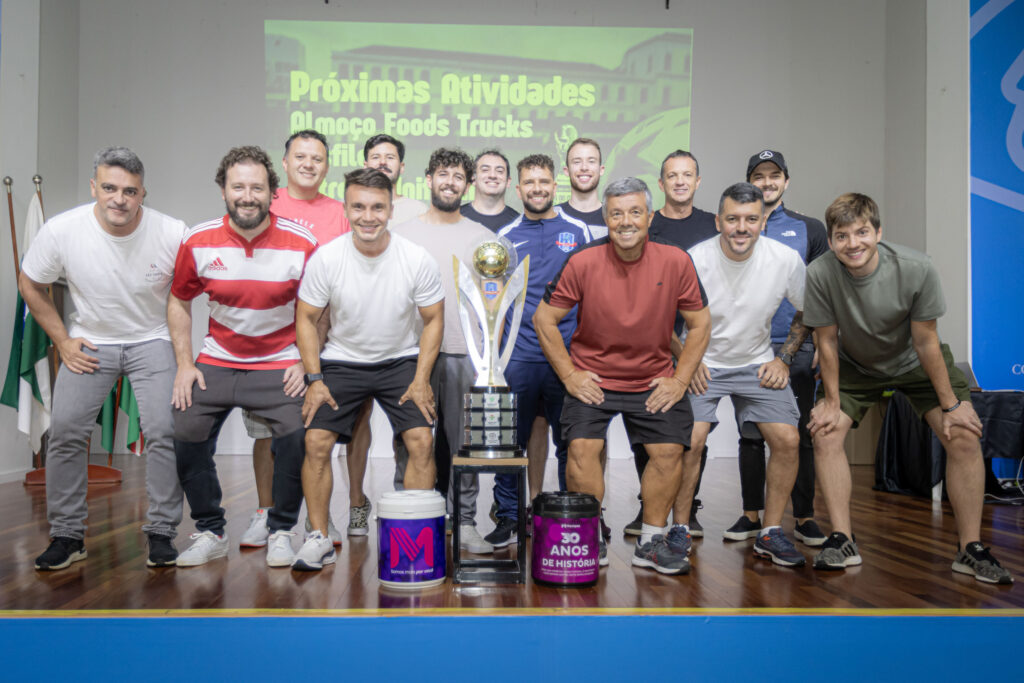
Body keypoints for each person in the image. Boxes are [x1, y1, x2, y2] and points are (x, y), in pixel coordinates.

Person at [805, 193, 1013, 584]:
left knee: (963, 435)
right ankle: (842, 539)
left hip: (916, 363)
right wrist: (831, 402)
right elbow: (827, 341)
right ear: (831, 241)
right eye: (842, 236)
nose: (853, 243)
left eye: (861, 232)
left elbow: (926, 341)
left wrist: (951, 407)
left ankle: (970, 548)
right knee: (826, 432)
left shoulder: (917, 268)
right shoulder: (819, 273)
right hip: (855, 366)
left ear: (878, 232)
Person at [535, 176, 710, 574]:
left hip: (652, 379)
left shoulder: (676, 260)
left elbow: (700, 324)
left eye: (634, 212)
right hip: (594, 378)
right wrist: (570, 376)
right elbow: (544, 319)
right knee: (581, 448)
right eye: (616, 214)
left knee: (668, 451)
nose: (626, 221)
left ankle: (651, 541)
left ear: (649, 216)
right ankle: (589, 534)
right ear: (606, 218)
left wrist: (680, 380)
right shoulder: (583, 260)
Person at [21, 147, 185, 570]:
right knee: (65, 432)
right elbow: (30, 283)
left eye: (130, 191)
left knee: (165, 430)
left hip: (151, 340)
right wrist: (62, 341)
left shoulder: (172, 232)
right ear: (94, 187)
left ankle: (162, 532)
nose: (119, 199)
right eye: (110, 188)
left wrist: (183, 357)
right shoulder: (62, 230)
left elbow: (184, 296)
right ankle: (67, 535)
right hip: (90, 343)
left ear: (143, 193)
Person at [169, 146, 316, 568]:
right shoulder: (197, 240)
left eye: (257, 187)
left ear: (273, 192)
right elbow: (178, 301)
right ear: (223, 190)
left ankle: (281, 529)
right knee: (185, 428)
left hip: (279, 361)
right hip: (218, 360)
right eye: (238, 187)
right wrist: (185, 364)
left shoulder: (303, 243)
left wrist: (304, 363)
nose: (247, 196)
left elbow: (320, 311)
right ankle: (211, 531)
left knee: (297, 435)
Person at [292, 168, 444, 571]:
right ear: (346, 209)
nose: (368, 216)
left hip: (400, 359)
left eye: (378, 207)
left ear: (391, 209)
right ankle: (319, 537)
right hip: (343, 359)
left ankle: (415, 537)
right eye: (358, 207)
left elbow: (434, 319)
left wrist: (421, 379)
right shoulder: (328, 258)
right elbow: (306, 318)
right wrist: (314, 379)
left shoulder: (416, 258)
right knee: (316, 442)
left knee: (421, 441)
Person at [675, 182, 809, 568]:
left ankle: (770, 532)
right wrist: (687, 360)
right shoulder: (695, 259)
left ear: (763, 222)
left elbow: (808, 310)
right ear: (719, 221)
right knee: (691, 440)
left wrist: (783, 358)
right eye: (732, 219)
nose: (741, 228)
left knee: (787, 439)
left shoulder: (784, 259)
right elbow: (664, 318)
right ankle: (679, 528)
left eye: (751, 220)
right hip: (704, 362)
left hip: (757, 362)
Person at [239, 129, 351, 550]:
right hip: (268, 344)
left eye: (317, 158)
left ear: (326, 167)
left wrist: (312, 354)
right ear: (284, 163)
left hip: (321, 343)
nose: (308, 164)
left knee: (317, 436)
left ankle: (317, 519)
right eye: (300, 157)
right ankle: (265, 513)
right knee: (265, 436)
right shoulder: (264, 204)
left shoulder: (340, 213)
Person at [484, 154, 592, 548]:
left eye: (543, 181)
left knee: (571, 443)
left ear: (554, 185)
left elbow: (591, 292)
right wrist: (493, 362)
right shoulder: (506, 236)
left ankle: (566, 515)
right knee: (510, 443)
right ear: (518, 189)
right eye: (529, 182)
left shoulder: (578, 231)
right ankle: (510, 517)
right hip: (520, 357)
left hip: (567, 358)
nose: (537, 189)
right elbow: (495, 302)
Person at [393, 148, 497, 554]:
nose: (449, 182)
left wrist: (488, 356)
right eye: (442, 174)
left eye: (457, 176)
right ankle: (411, 517)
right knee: (411, 440)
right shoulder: (402, 234)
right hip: (411, 354)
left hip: (463, 353)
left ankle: (465, 521)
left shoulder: (483, 239)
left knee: (463, 443)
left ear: (467, 185)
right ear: (428, 179)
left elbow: (494, 302)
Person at [723, 150, 829, 545]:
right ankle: (751, 515)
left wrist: (821, 346)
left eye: (774, 175)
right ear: (749, 182)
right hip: (746, 347)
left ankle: (803, 517)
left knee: (798, 435)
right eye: (759, 176)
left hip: (795, 347)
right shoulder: (736, 227)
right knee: (750, 434)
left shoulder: (809, 229)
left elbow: (820, 293)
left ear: (786, 181)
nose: (767, 182)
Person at [626, 149, 718, 537]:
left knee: (692, 435)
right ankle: (649, 508)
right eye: (672, 175)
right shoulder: (648, 224)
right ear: (661, 184)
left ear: (698, 181)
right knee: (648, 430)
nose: (680, 181)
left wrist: (694, 356)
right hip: (656, 343)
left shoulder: (714, 226)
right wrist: (682, 357)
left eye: (687, 174)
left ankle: (686, 507)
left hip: (701, 340)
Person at [343, 134, 429, 505]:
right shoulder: (354, 209)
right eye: (375, 156)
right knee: (356, 423)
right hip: (355, 338)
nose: (382, 162)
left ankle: (405, 501)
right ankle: (356, 501)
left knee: (408, 430)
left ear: (402, 166)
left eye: (389, 157)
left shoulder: (419, 210)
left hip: (404, 340)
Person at [557, 137, 607, 238]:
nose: (584, 167)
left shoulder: (615, 217)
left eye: (591, 161)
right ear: (566, 171)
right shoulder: (552, 217)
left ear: (601, 170)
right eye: (577, 162)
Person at [460, 148, 520, 232]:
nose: (492, 175)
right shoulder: (454, 218)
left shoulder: (519, 223)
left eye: (499, 171)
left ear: (508, 181)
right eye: (485, 170)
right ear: (473, 179)